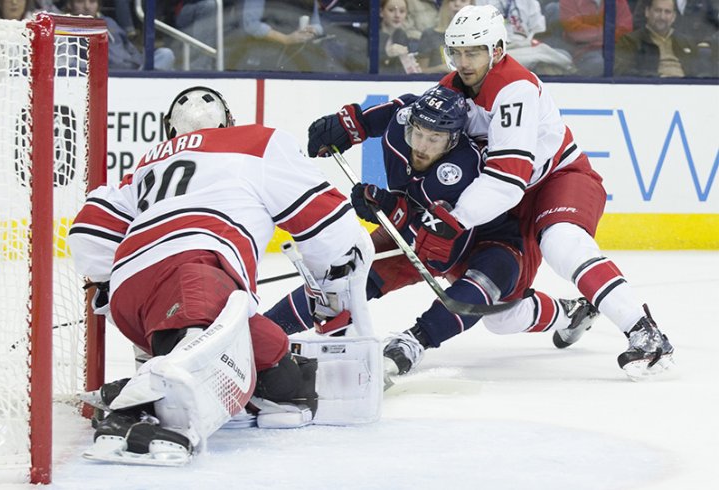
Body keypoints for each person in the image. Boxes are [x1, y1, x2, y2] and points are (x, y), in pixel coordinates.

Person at [67, 86, 373, 463]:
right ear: (229, 121)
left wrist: (109, 282)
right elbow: (328, 224)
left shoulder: (147, 164)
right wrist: (335, 270)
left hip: (134, 295)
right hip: (199, 273)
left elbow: (88, 232)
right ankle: (133, 409)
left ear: (169, 131)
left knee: (283, 373)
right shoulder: (258, 141)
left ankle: (145, 382)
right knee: (210, 367)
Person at [417, 4, 672, 379]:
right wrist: (359, 124)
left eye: (473, 51)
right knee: (501, 317)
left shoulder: (514, 87)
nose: (463, 61)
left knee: (562, 242)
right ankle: (571, 312)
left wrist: (452, 220)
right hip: (510, 198)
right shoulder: (450, 88)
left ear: (498, 51)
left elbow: (506, 179)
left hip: (558, 178)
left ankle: (645, 333)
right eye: (456, 52)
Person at [274, 85, 597, 377]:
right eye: (418, 133)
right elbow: (397, 109)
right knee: (347, 276)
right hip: (416, 226)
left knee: (487, 306)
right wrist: (350, 124)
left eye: (434, 139)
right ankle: (267, 328)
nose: (422, 146)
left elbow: (440, 257)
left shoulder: (462, 170)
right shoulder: (405, 127)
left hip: (487, 241)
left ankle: (416, 341)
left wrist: (389, 208)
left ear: (453, 139)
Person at [63, 0, 174, 70]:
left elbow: (129, 47)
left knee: (165, 54)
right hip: (107, 75)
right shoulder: (66, 27)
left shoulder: (109, 22)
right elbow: (71, 62)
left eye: (92, 1)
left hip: (134, 71)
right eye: (80, 1)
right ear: (69, 4)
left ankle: (144, 79)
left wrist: (137, 64)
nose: (87, 6)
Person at [476, 0, 575, 74]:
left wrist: (529, 43)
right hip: (498, 47)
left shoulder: (530, 2)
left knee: (563, 55)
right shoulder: (481, 2)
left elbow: (538, 31)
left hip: (525, 45)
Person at [615, 0, 702, 77]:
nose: (662, 17)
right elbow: (622, 73)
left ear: (674, 17)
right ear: (647, 12)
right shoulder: (630, 41)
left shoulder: (686, 43)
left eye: (667, 12)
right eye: (658, 11)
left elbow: (700, 74)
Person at [559, 0, 632, 75]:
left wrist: (592, 34)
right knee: (598, 64)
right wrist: (607, 32)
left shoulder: (619, 1)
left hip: (616, 50)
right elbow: (576, 33)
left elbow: (625, 31)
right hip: (584, 51)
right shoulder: (569, 1)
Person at [416, 0, 473, 73]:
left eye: (463, 1)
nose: (457, 4)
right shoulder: (429, 35)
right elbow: (419, 71)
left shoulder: (479, 37)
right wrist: (440, 68)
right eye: (452, 1)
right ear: (445, 5)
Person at [378, 0, 421, 73]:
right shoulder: (369, 34)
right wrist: (386, 55)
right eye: (391, 10)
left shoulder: (401, 35)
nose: (397, 15)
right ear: (381, 12)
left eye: (402, 11)